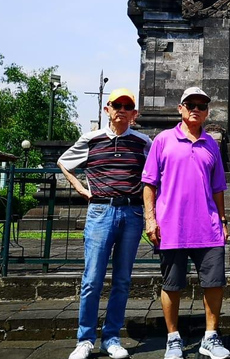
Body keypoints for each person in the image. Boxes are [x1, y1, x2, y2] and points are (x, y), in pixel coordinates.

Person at [58, 88, 152, 359]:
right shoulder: (91, 139)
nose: (121, 110)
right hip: (100, 210)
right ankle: (85, 338)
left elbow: (156, 173)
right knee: (92, 279)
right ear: (107, 110)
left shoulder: (142, 142)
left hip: (132, 213)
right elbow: (64, 162)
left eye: (127, 106)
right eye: (116, 105)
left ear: (134, 113)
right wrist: (79, 187)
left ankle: (111, 337)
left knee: (122, 280)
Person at [142, 87, 230, 359]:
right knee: (171, 284)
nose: (195, 109)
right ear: (180, 108)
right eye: (190, 104)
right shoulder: (163, 140)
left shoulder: (211, 144)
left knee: (214, 283)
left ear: (207, 112)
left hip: (208, 225)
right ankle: (172, 337)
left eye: (201, 105)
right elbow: (149, 183)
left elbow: (218, 188)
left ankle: (211, 337)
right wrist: (150, 218)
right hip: (172, 226)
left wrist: (223, 219)